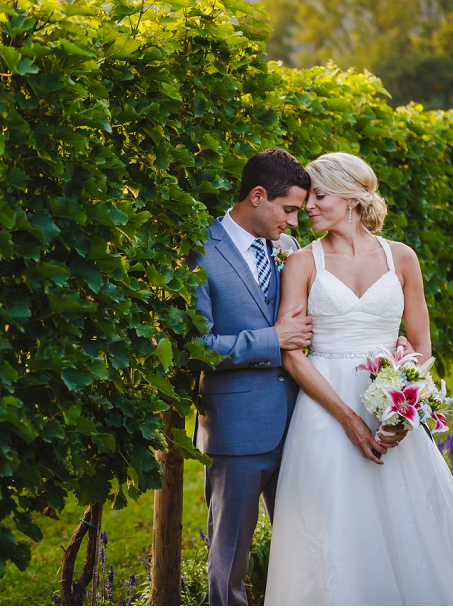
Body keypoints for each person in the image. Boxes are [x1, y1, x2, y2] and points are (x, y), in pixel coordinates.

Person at [264, 152, 453, 605]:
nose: (308, 207)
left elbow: (420, 345)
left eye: (319, 196)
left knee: (406, 523)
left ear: (353, 199)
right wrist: (346, 417)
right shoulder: (301, 262)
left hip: (388, 411)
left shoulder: (401, 257)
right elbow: (292, 355)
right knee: (333, 526)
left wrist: (402, 408)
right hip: (323, 413)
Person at [190, 148, 318, 606]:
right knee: (230, 568)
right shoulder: (200, 252)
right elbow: (195, 347)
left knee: (308, 552)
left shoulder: (287, 252)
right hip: (237, 431)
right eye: (289, 210)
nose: (295, 223)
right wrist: (272, 338)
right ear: (258, 196)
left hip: (301, 427)